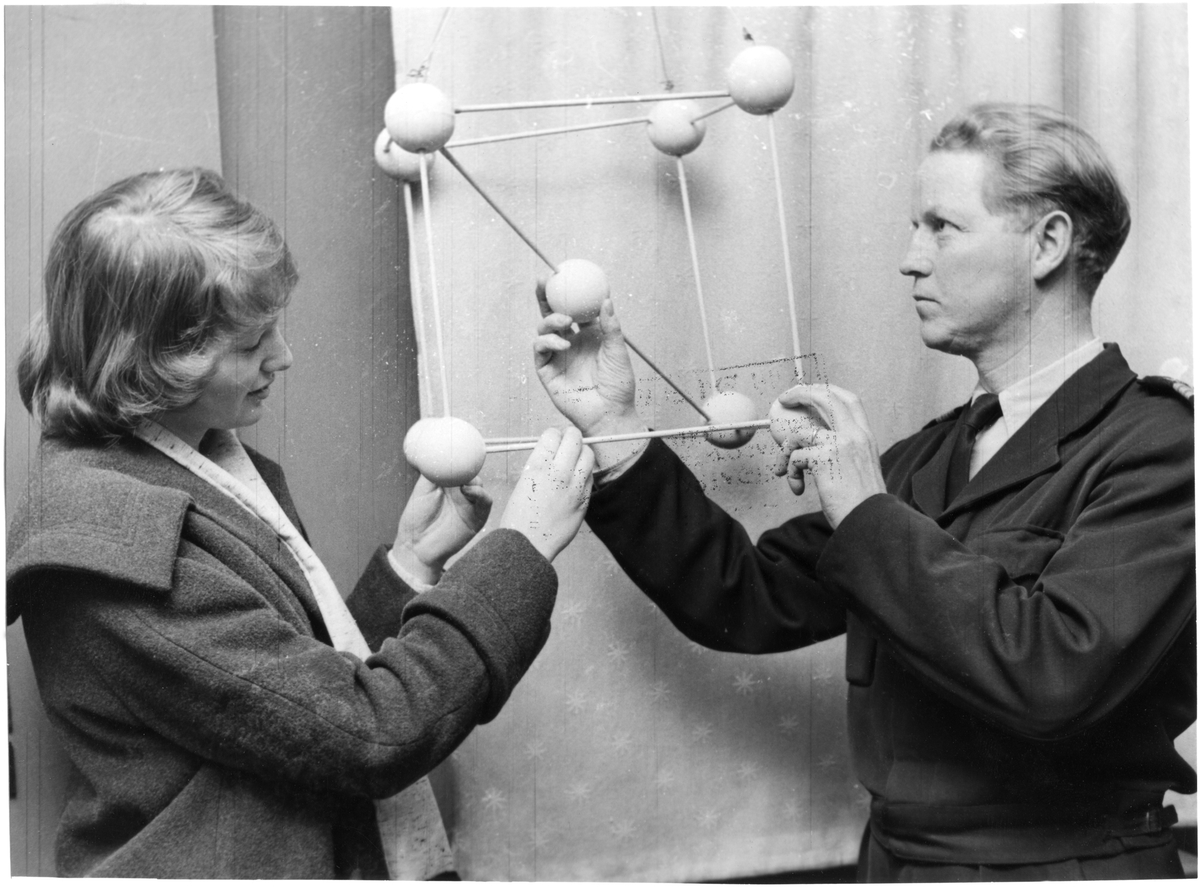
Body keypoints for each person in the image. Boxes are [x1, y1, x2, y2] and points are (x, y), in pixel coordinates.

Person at [533, 103, 1195, 879]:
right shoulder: (928, 457)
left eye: (942, 227)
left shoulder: (1162, 446)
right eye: (916, 228)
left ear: (1048, 243)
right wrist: (615, 425)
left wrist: (865, 509)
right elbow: (741, 596)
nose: (911, 260)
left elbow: (1053, 673)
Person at [6, 167, 595, 879]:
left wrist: (410, 563)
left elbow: (295, 701)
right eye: (251, 343)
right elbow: (372, 735)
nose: (282, 357)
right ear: (156, 361)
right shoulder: (113, 546)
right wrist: (522, 548)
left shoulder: (191, 458)